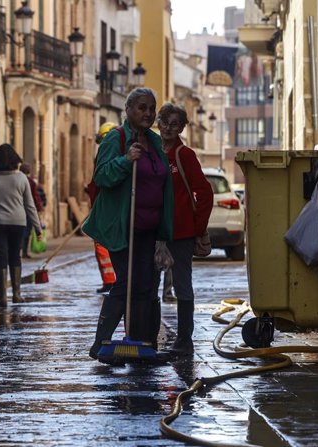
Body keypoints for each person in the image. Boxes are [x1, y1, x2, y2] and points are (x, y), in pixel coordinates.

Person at [82, 88, 174, 360]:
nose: (148, 113)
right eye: (142, 108)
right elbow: (102, 176)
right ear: (129, 110)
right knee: (127, 283)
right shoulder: (116, 138)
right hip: (123, 227)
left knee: (148, 286)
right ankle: (101, 342)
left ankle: (145, 344)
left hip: (150, 229)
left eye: (151, 108)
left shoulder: (156, 143)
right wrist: (126, 160)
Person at [156, 103, 213, 355]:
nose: (168, 128)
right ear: (158, 123)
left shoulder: (185, 155)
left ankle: (184, 340)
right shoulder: (151, 151)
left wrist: (196, 227)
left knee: (182, 285)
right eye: (165, 122)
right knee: (148, 284)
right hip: (154, 231)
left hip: (181, 233)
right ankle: (146, 336)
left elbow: (205, 192)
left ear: (182, 127)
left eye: (174, 124)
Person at [0, 144, 43, 307]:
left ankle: (2, 296)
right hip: (18, 222)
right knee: (15, 256)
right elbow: (30, 205)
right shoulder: (21, 178)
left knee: (0, 256)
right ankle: (17, 294)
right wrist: (38, 227)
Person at [91, 122, 119, 294]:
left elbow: (100, 181)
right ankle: (111, 280)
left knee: (102, 245)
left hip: (105, 208)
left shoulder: (106, 155)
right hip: (105, 206)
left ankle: (110, 281)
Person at [18, 162, 43, 259]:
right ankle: (24, 251)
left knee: (19, 230)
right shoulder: (31, 182)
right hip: (28, 210)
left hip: (18, 209)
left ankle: (18, 249)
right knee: (27, 231)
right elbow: (35, 197)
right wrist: (39, 207)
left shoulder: (17, 181)